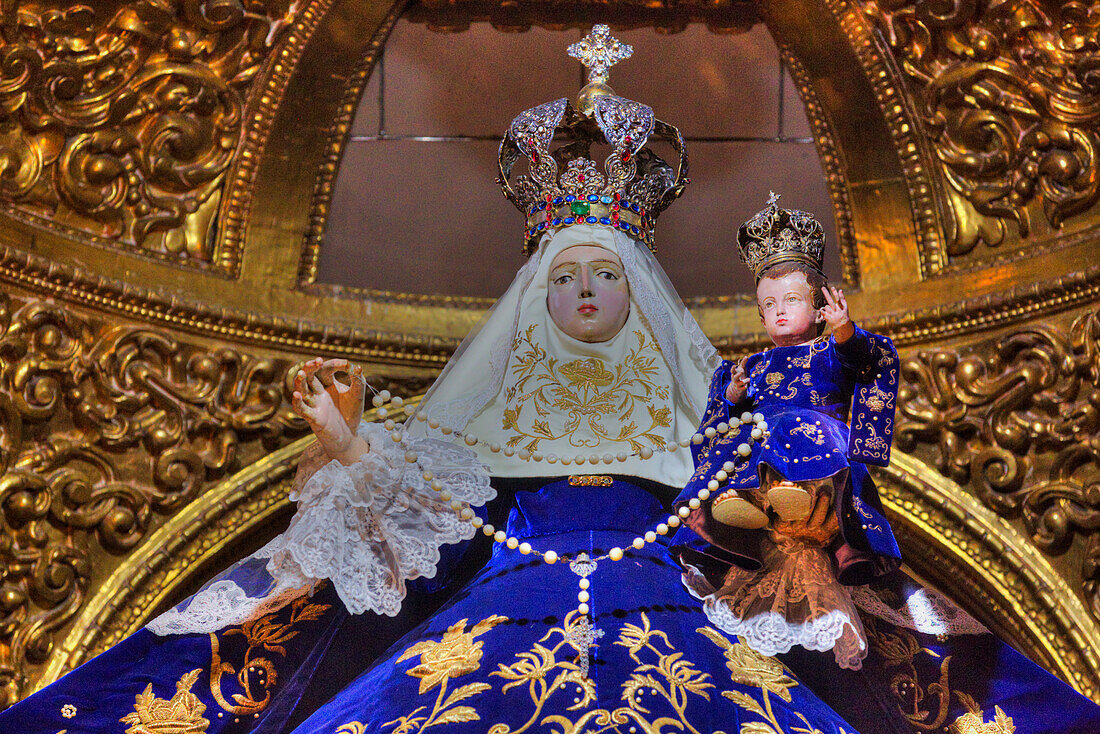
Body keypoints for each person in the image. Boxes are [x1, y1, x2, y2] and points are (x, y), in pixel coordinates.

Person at [2, 26, 1098, 734]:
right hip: (484, 637)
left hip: (686, 631)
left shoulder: (712, 425)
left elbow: (773, 522)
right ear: (531, 297)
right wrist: (351, 447)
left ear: (644, 296)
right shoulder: (482, 436)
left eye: (603, 276)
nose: (582, 292)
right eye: (562, 275)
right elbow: (427, 523)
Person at [673, 194, 903, 671]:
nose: (779, 312)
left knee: (795, 425)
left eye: (791, 301)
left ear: (820, 308)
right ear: (759, 315)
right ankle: (742, 504)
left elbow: (866, 362)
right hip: (761, 442)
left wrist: (845, 332)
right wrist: (733, 395)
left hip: (818, 441)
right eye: (769, 304)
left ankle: (792, 490)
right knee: (736, 448)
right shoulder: (750, 365)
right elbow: (715, 425)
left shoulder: (830, 352)